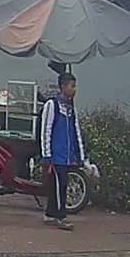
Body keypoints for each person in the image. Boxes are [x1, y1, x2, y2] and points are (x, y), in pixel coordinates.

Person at [40, 72, 90, 231]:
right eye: (72, 86)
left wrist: (81, 156)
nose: (74, 90)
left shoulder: (71, 108)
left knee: (57, 185)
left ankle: (49, 214)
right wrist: (47, 155)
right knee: (60, 186)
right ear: (63, 86)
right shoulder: (52, 105)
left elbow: (76, 132)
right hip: (55, 156)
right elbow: (46, 131)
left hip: (67, 156)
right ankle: (61, 217)